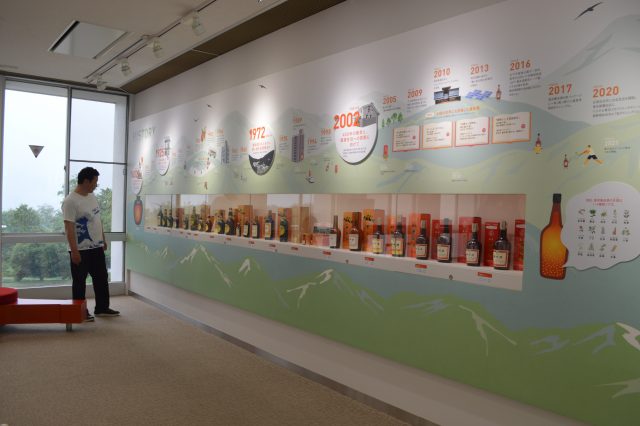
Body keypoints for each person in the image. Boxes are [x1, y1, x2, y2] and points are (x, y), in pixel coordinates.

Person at [63, 167, 119, 321]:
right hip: (80, 249)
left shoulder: (92, 196)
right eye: (95, 182)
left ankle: (102, 308)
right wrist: (74, 251)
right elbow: (68, 228)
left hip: (96, 247)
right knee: (79, 282)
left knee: (101, 278)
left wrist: (103, 239)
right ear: (86, 181)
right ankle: (80, 312)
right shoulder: (70, 201)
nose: (96, 185)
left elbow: (97, 220)